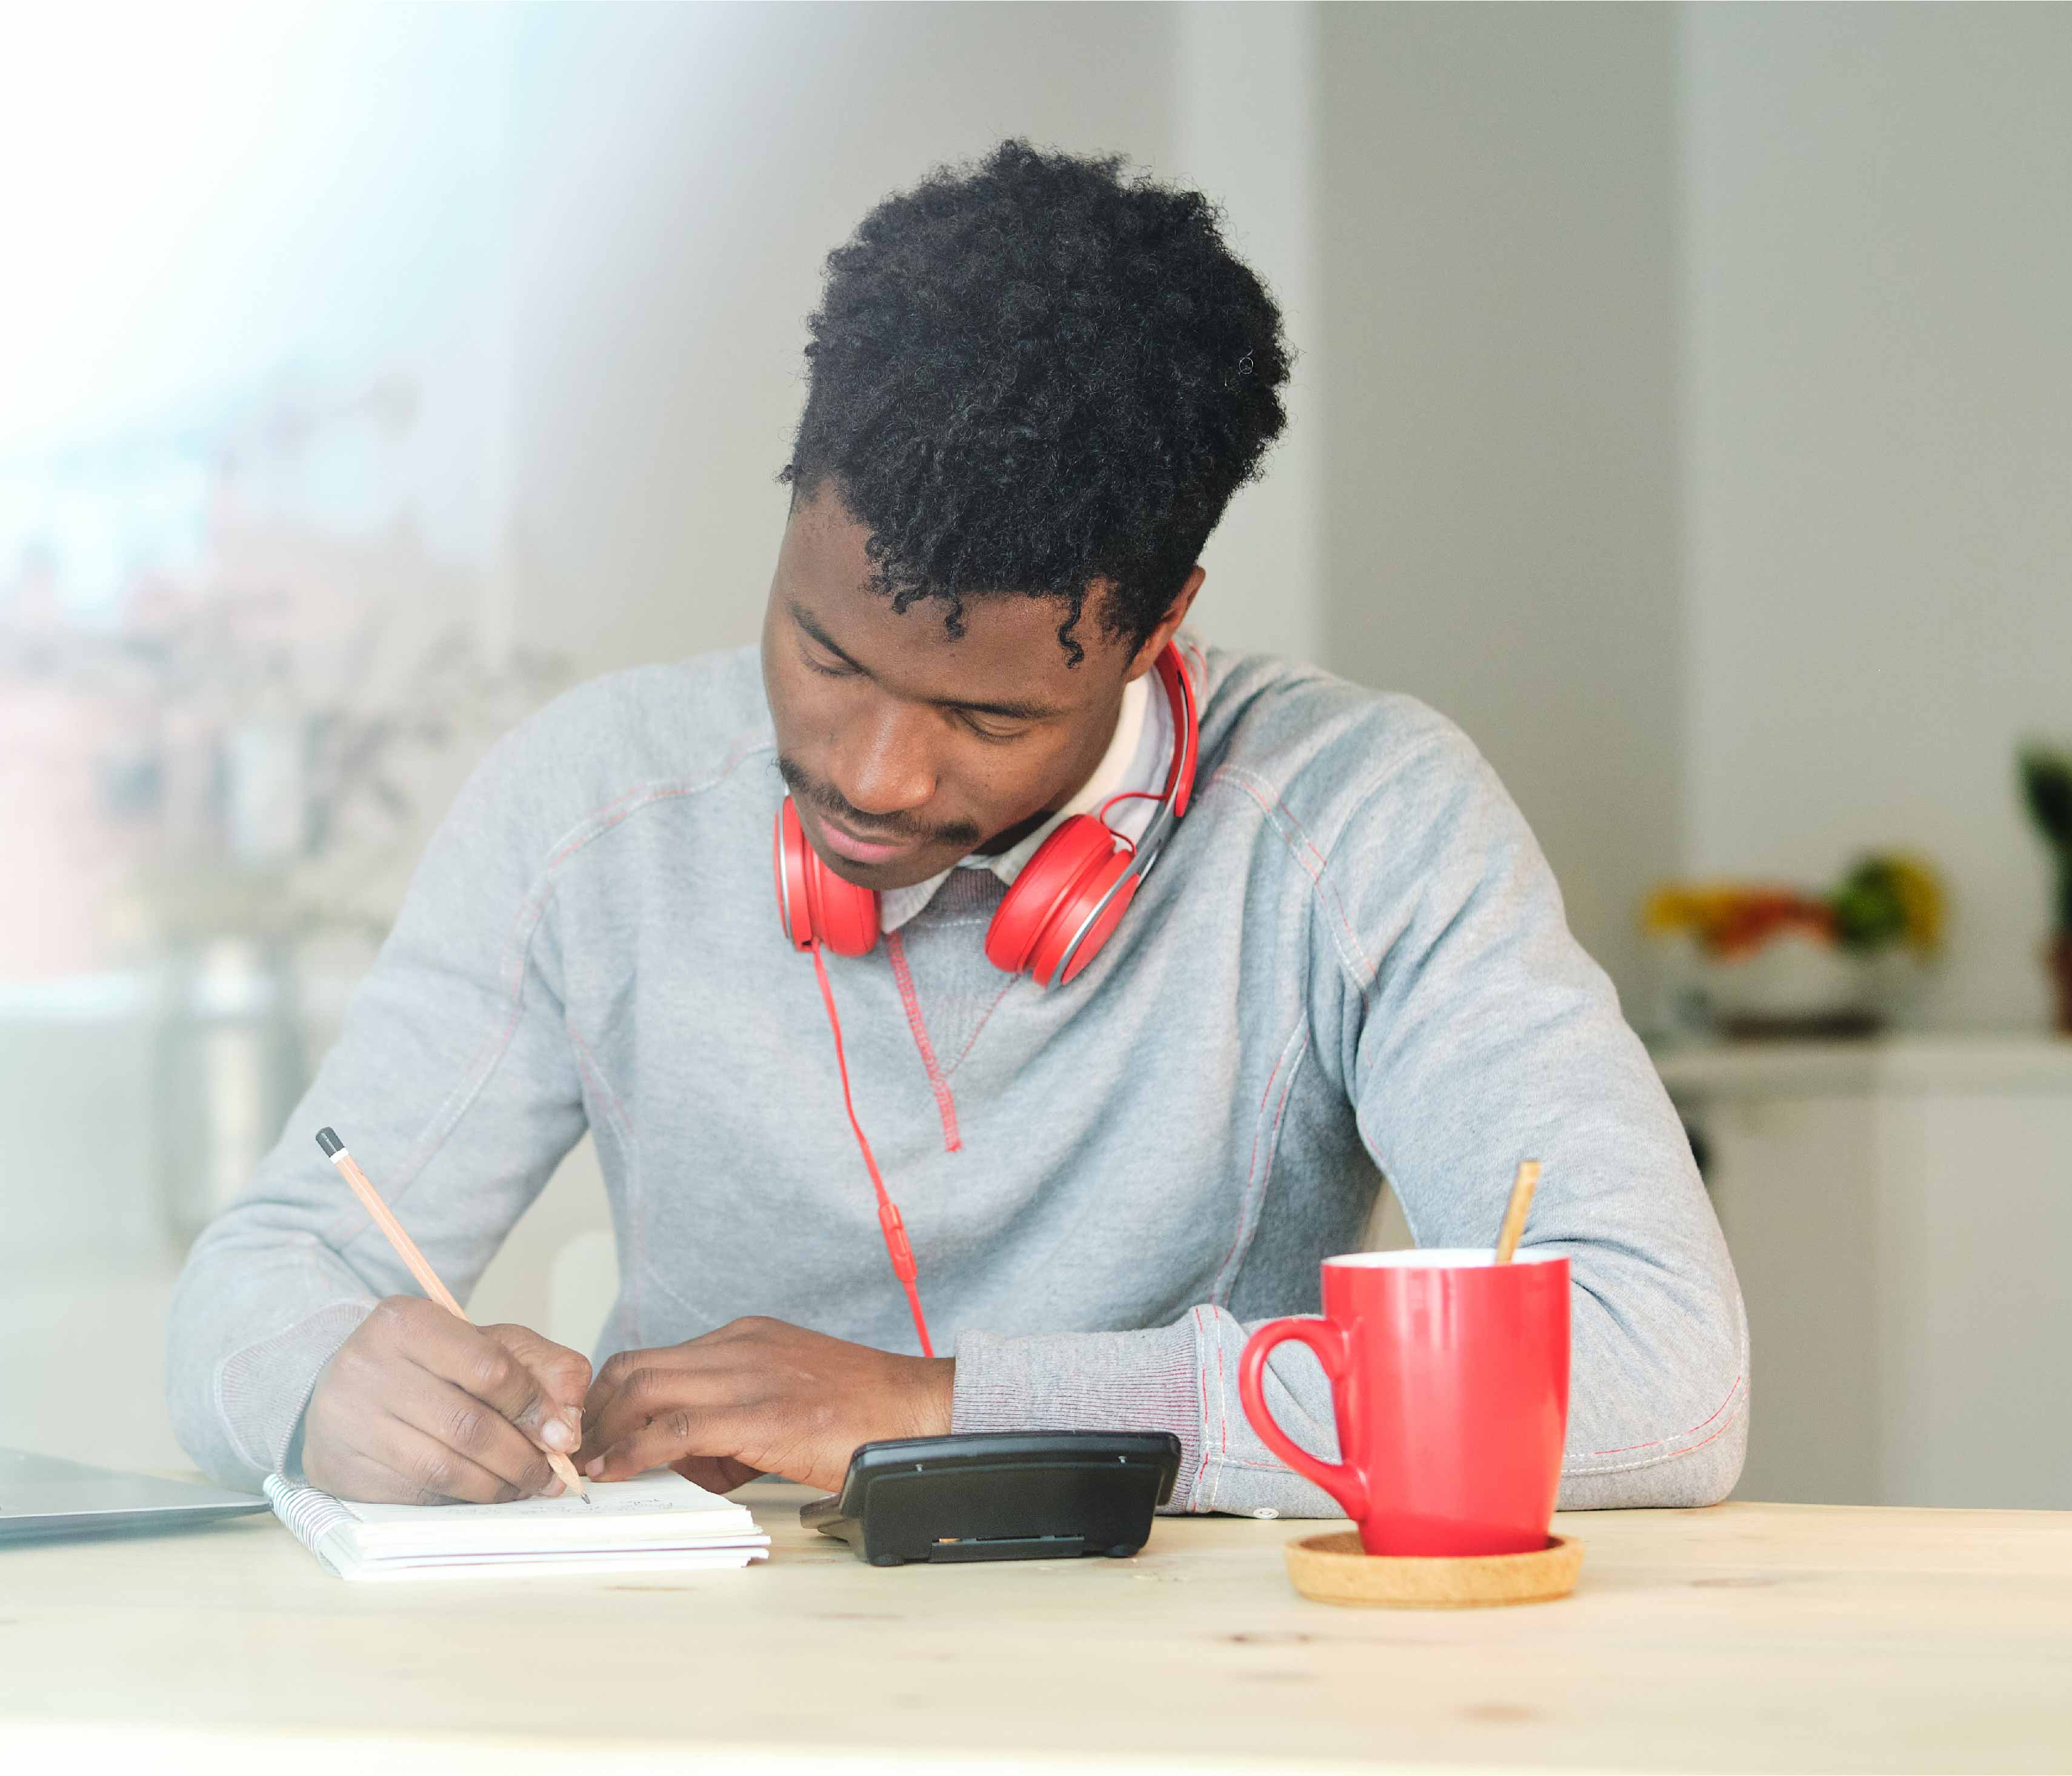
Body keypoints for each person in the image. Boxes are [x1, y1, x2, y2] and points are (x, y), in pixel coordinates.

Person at [164, 141, 1748, 1515]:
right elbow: (256, 1283)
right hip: (728, 1698)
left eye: (987, 718)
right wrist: (319, 1381)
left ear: (1158, 625)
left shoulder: (1362, 820)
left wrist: (942, 1402)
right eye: (824, 651)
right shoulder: (589, 808)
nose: (873, 774)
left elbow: (1661, 1365)